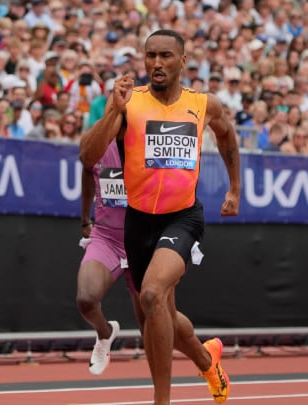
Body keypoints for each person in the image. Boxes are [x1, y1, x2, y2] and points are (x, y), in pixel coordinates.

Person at [79, 29, 241, 405]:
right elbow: (88, 156)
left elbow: (227, 137)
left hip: (182, 218)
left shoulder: (204, 104)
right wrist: (115, 111)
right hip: (138, 222)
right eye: (150, 55)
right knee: (158, 314)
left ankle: (162, 400)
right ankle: (206, 358)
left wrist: (234, 188)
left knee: (152, 293)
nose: (156, 63)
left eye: (165, 56)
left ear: (182, 61)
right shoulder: (128, 101)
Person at [76, 140, 142, 375]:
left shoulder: (150, 138)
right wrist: (85, 219)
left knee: (152, 326)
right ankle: (105, 333)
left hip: (142, 241)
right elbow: (86, 167)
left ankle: (203, 361)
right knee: (86, 299)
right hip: (107, 238)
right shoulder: (100, 142)